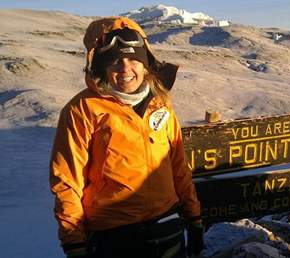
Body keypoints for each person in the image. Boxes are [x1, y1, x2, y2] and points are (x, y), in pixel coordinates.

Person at [49, 16, 203, 258]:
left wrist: (193, 217)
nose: (125, 68)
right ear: (100, 66)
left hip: (167, 226)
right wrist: (74, 243)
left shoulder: (160, 103)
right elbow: (67, 181)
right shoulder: (82, 109)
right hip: (114, 235)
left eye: (133, 59)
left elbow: (178, 166)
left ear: (145, 63)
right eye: (115, 61)